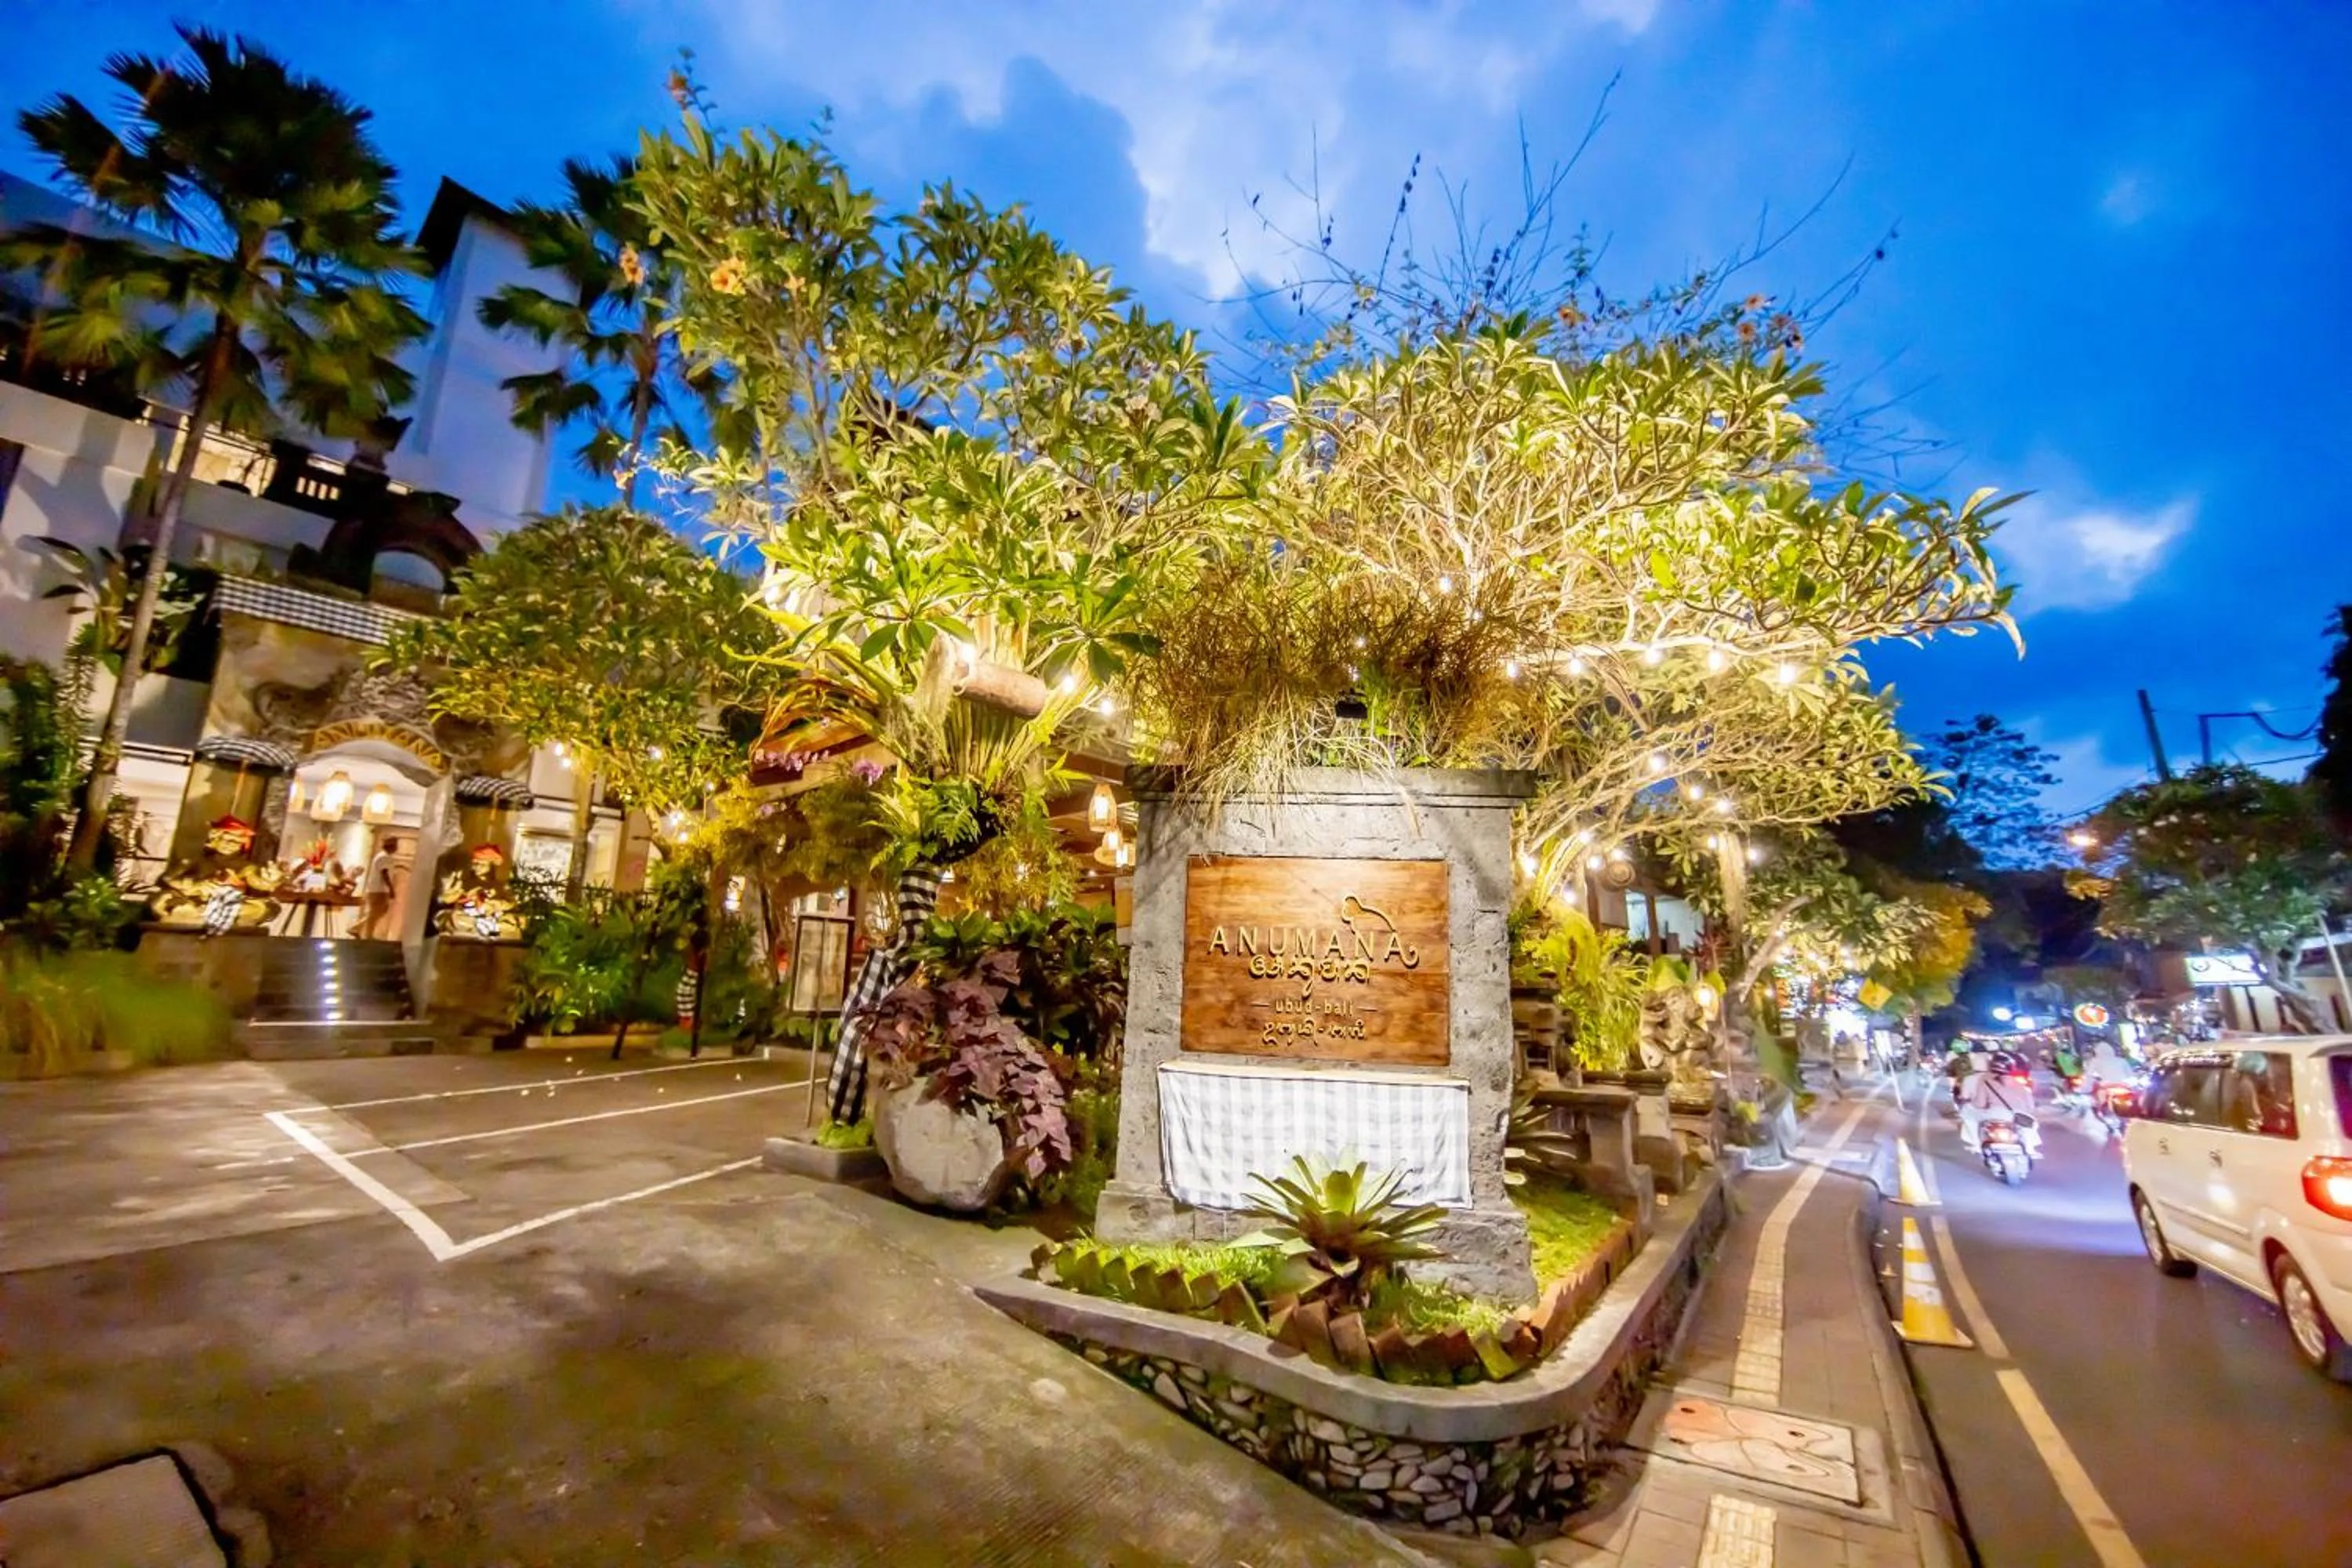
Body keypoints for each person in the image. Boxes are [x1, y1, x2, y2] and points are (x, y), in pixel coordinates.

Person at [360, 837, 402, 938]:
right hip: (379, 890)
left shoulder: (382, 856)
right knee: (375, 913)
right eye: (396, 845)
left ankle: (357, 928)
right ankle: (368, 936)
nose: (397, 848)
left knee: (379, 911)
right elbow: (385, 873)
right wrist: (391, 889)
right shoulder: (384, 857)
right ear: (391, 846)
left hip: (378, 890)